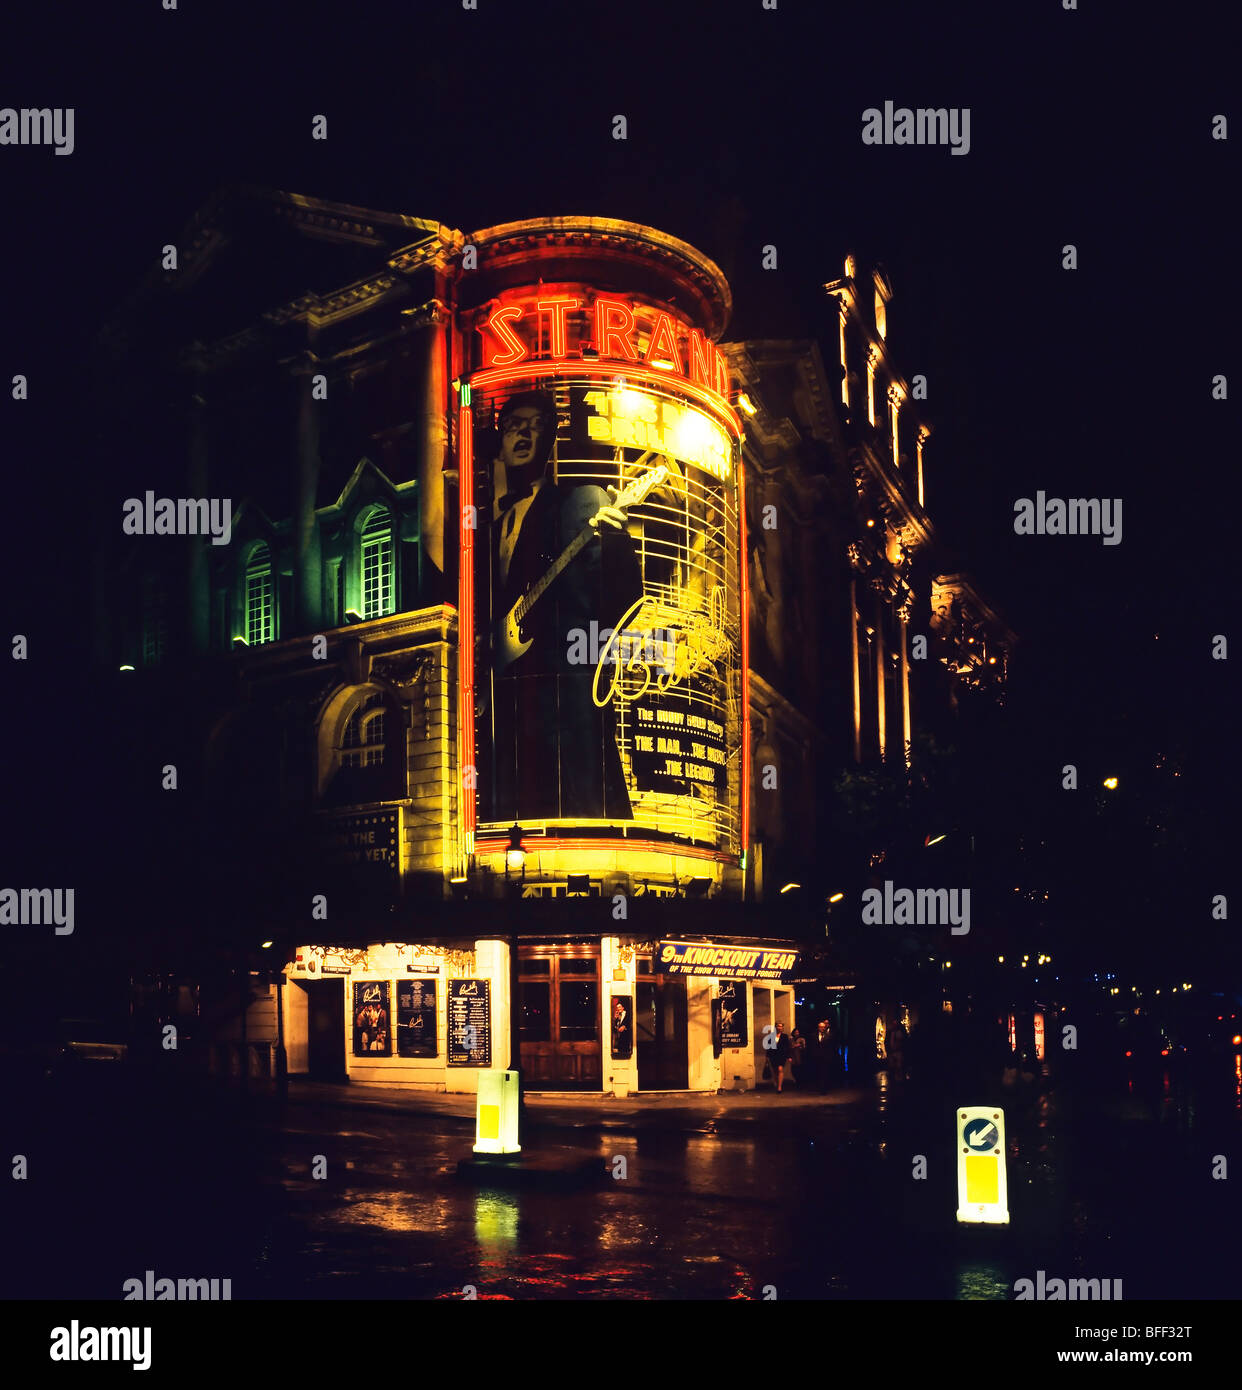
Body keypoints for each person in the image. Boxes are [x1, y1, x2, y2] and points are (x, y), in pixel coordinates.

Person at [482, 390, 645, 822]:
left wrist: (614, 540)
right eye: (514, 424)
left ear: (550, 439)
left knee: (583, 814)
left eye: (535, 426)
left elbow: (623, 601)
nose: (523, 433)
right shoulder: (484, 532)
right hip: (506, 712)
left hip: (565, 704)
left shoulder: (583, 502)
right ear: (499, 440)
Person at [771, 1020, 793, 1093]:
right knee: (775, 1071)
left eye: (781, 1026)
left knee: (780, 1069)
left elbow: (788, 1047)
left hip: (781, 1055)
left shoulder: (784, 1036)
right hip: (773, 1055)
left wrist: (789, 1056)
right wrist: (767, 1056)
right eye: (778, 1026)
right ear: (775, 1027)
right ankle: (777, 1084)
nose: (779, 1027)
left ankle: (779, 1087)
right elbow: (768, 1047)